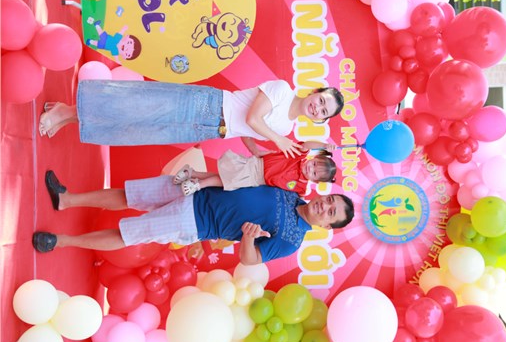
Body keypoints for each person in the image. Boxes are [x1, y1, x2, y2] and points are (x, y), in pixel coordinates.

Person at [33, 170, 354, 265]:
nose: (324, 206)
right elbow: (240, 178)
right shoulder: (291, 193)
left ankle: (59, 242)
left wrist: (247, 238)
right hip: (195, 189)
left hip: (196, 222)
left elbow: (250, 260)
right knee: (129, 194)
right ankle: (66, 199)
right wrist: (202, 177)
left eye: (330, 212)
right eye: (330, 200)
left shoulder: (292, 240)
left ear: (327, 226)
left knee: (128, 234)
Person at [38, 80, 345, 158]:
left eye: (323, 112)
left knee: (140, 129)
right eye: (321, 100)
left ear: (321, 120)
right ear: (314, 92)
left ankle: (69, 116)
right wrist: (278, 141)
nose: (317, 108)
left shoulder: (287, 127)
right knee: (139, 105)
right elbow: (253, 116)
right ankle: (66, 111)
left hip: (210, 128)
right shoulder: (283, 90)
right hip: (207, 105)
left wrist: (257, 151)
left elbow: (248, 130)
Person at [174, 141, 338, 196]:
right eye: (314, 164)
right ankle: (198, 184)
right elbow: (308, 144)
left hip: (257, 181)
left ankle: (191, 173)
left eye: (314, 173)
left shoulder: (302, 187)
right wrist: (324, 146)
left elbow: (299, 198)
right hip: (256, 166)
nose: (310, 168)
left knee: (225, 178)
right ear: (314, 158)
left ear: (315, 181)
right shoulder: (299, 155)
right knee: (227, 181)